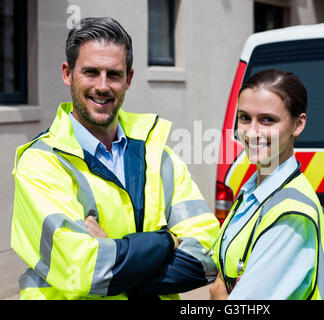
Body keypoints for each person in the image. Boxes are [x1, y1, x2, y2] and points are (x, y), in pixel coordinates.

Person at [10, 17, 219, 300]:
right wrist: (169, 240)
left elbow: (206, 259)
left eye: (114, 74)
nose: (103, 86)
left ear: (129, 79)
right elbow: (84, 271)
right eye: (91, 72)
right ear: (67, 74)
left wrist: (112, 250)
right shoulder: (41, 163)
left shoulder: (159, 157)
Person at [208, 69, 324, 300]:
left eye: (267, 120)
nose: (252, 132)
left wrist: (219, 294)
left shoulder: (292, 214)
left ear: (298, 124)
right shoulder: (251, 193)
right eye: (244, 118)